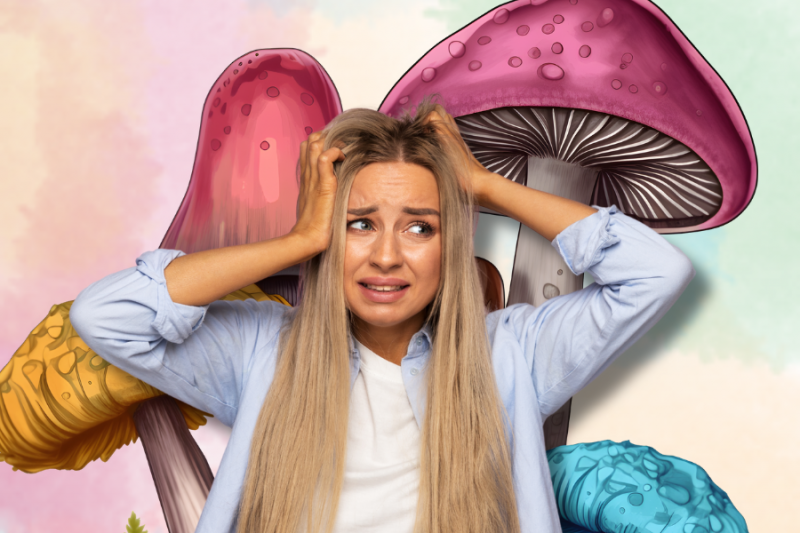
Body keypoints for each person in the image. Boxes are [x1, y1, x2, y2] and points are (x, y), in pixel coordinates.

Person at [69, 98, 694, 533]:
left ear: (450, 244)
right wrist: (299, 240)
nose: (388, 256)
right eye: (359, 224)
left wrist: (482, 185)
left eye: (420, 227)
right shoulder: (261, 349)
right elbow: (106, 317)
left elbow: (655, 274)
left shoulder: (513, 355)